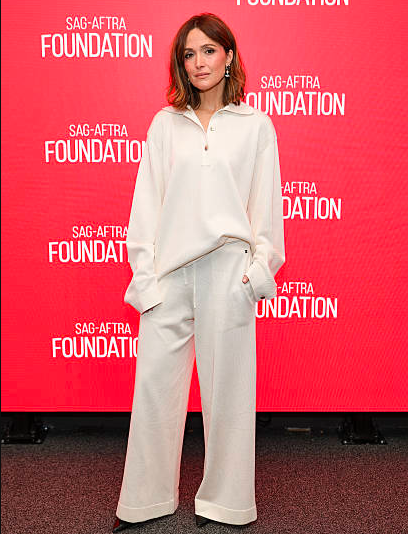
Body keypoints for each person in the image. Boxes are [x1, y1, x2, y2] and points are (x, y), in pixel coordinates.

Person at [112, 12, 285, 532]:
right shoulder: (165, 125)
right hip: (170, 274)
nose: (198, 63)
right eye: (189, 54)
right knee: (154, 392)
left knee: (230, 394)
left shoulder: (256, 126)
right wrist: (146, 279)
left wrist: (256, 273)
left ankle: (226, 504)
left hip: (228, 272)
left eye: (208, 51)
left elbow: (265, 209)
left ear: (229, 56)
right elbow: (146, 206)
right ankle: (144, 502)